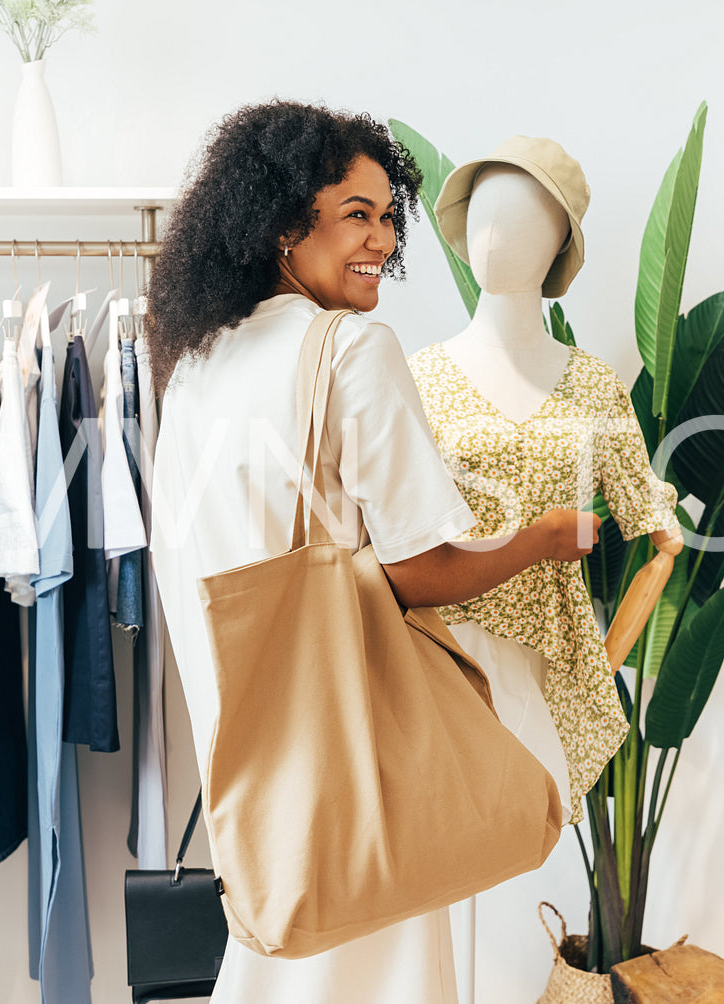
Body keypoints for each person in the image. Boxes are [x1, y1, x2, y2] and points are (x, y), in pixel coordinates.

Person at [146, 100, 599, 1004]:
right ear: (281, 224)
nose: (382, 240)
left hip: (243, 718)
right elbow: (417, 571)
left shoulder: (197, 364)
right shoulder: (352, 350)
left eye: (389, 218)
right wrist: (547, 538)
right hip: (351, 725)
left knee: (287, 943)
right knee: (376, 951)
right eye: (357, 214)